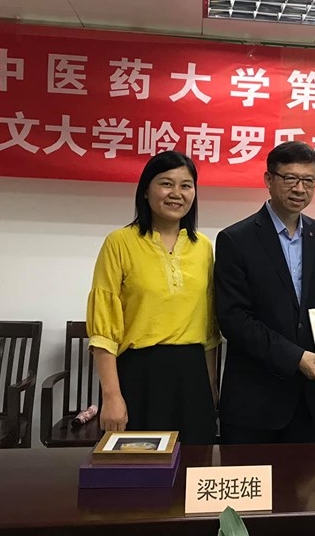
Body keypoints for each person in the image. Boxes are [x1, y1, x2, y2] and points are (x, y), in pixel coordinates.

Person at [215, 141, 315, 444]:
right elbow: (234, 319)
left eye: (308, 180)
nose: (299, 188)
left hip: (309, 401)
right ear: (269, 179)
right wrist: (296, 358)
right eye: (290, 178)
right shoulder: (236, 239)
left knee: (308, 477)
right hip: (254, 402)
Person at [86, 151, 220, 445]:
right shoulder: (119, 243)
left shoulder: (203, 247)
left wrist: (211, 388)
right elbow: (103, 330)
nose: (176, 193)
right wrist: (112, 396)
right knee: (140, 466)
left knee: (195, 463)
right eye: (166, 183)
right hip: (139, 376)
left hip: (192, 377)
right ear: (146, 190)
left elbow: (210, 330)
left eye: (186, 185)